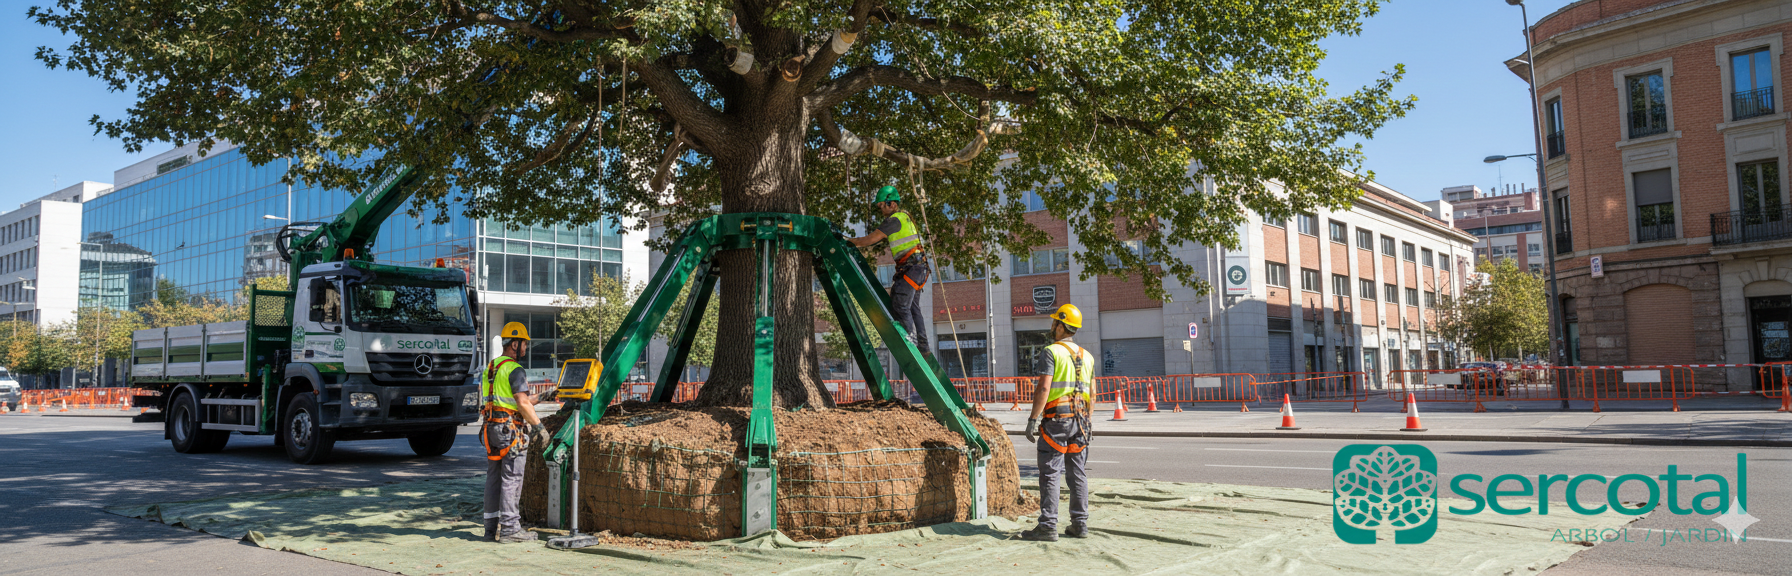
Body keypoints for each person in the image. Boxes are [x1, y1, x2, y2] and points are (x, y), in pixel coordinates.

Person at [1019, 304, 1094, 542]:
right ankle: (1079, 524)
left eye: (1054, 323)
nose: (1052, 327)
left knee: (1051, 472)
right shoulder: (1088, 355)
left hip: (1057, 421)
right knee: (1077, 473)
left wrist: (1032, 419)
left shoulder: (1051, 352)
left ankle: (1048, 526)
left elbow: (1044, 387)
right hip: (1081, 422)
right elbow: (1092, 392)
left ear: (1061, 326)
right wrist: (1088, 422)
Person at [481, 322, 550, 543]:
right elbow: (521, 403)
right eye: (524, 344)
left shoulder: (491, 368)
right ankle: (510, 529)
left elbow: (511, 402)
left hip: (491, 430)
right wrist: (539, 427)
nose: (526, 349)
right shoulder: (515, 369)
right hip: (510, 432)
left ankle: (490, 530)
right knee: (512, 478)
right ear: (514, 344)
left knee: (493, 478)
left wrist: (545, 396)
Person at [847, 185, 931, 358]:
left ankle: (910, 344)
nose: (881, 210)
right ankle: (923, 346)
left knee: (900, 304)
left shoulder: (894, 220)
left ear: (892, 204)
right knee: (913, 308)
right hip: (917, 268)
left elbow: (870, 239)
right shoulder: (905, 218)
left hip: (912, 268)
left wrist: (848, 241)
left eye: (882, 206)